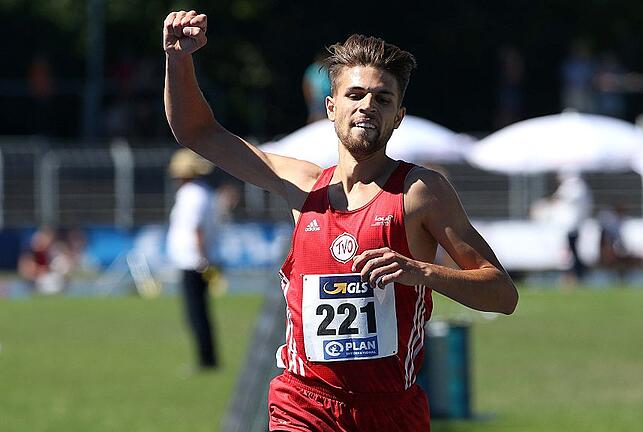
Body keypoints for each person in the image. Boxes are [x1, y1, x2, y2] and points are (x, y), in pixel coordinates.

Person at [163, 10, 518, 431]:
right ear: (331, 107)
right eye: (355, 95)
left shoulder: (420, 192)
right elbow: (197, 132)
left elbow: (502, 295)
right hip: (304, 405)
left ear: (398, 115)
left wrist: (420, 271)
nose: (368, 105)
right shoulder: (302, 185)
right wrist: (178, 58)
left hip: (391, 411)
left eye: (383, 98)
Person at [166, 148, 219, 370]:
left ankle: (205, 360)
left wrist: (201, 259)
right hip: (196, 260)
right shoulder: (201, 192)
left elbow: (196, 228)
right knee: (200, 312)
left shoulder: (191, 195)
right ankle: (207, 358)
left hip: (193, 262)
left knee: (196, 313)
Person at [303, 51, 333, 123]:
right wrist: (308, 98)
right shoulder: (312, 69)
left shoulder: (327, 68)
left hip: (327, 96)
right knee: (316, 116)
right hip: (316, 97)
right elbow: (306, 84)